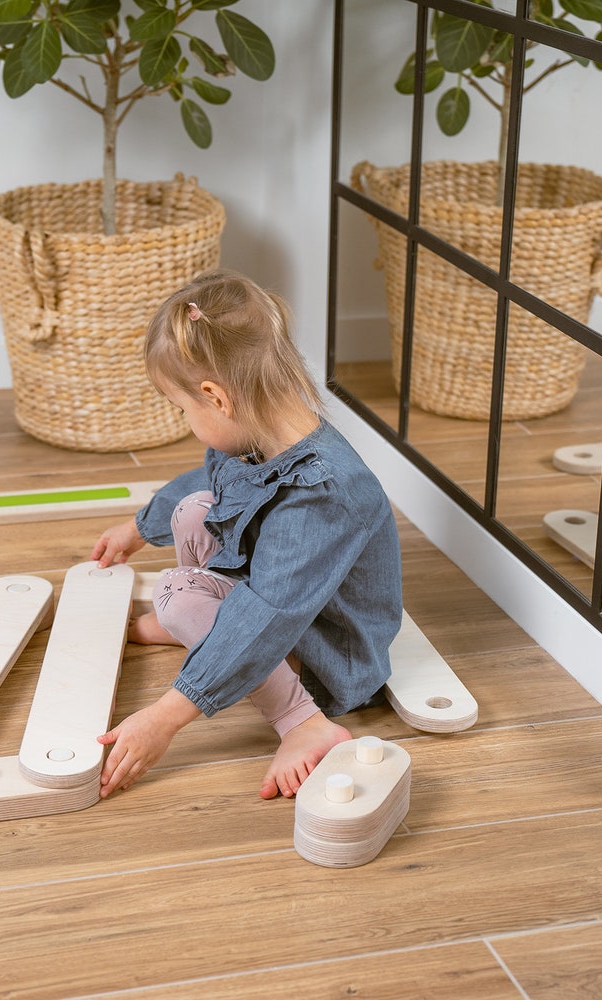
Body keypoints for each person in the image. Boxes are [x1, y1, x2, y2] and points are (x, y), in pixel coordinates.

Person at [90, 269, 402, 801]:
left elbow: (268, 612)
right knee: (194, 511)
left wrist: (165, 717)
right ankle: (200, 630)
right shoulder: (260, 433)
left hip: (324, 651)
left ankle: (302, 720)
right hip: (286, 610)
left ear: (216, 397)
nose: (187, 420)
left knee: (179, 592)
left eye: (182, 408)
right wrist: (140, 527)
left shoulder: (322, 494)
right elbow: (209, 482)